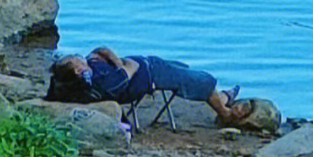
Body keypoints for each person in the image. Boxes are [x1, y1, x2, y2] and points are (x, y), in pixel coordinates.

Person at [46, 46, 250, 124]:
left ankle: (223, 98)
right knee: (203, 80)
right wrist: (119, 64)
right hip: (150, 74)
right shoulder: (107, 82)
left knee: (181, 67)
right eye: (78, 61)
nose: (83, 60)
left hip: (146, 68)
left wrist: (114, 62)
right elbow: (132, 65)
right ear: (78, 71)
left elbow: (99, 50)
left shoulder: (63, 83)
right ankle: (225, 112)